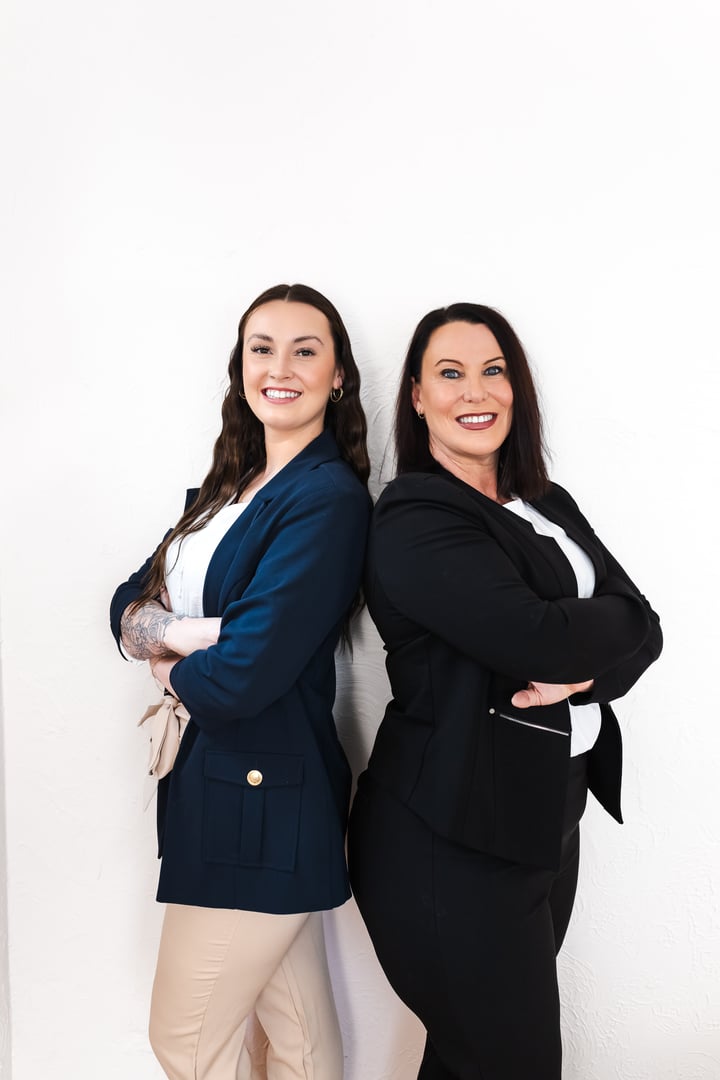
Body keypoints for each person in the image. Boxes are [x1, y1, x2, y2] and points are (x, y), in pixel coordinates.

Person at [347, 303, 662, 1080]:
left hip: (544, 817)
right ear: (417, 397)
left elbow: (645, 625)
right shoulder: (414, 516)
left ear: (516, 388)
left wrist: (584, 661)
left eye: (493, 370)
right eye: (448, 374)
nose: (473, 391)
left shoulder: (546, 502)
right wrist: (584, 639)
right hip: (446, 840)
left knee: (471, 1063)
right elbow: (538, 639)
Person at [110, 283, 371, 1079]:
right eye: (262, 348)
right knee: (297, 1041)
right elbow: (124, 604)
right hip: (222, 790)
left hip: (261, 798)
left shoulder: (325, 498)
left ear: (337, 377)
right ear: (240, 367)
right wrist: (187, 639)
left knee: (186, 1043)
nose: (279, 367)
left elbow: (242, 679)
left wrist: (165, 654)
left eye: (305, 349)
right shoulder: (228, 488)